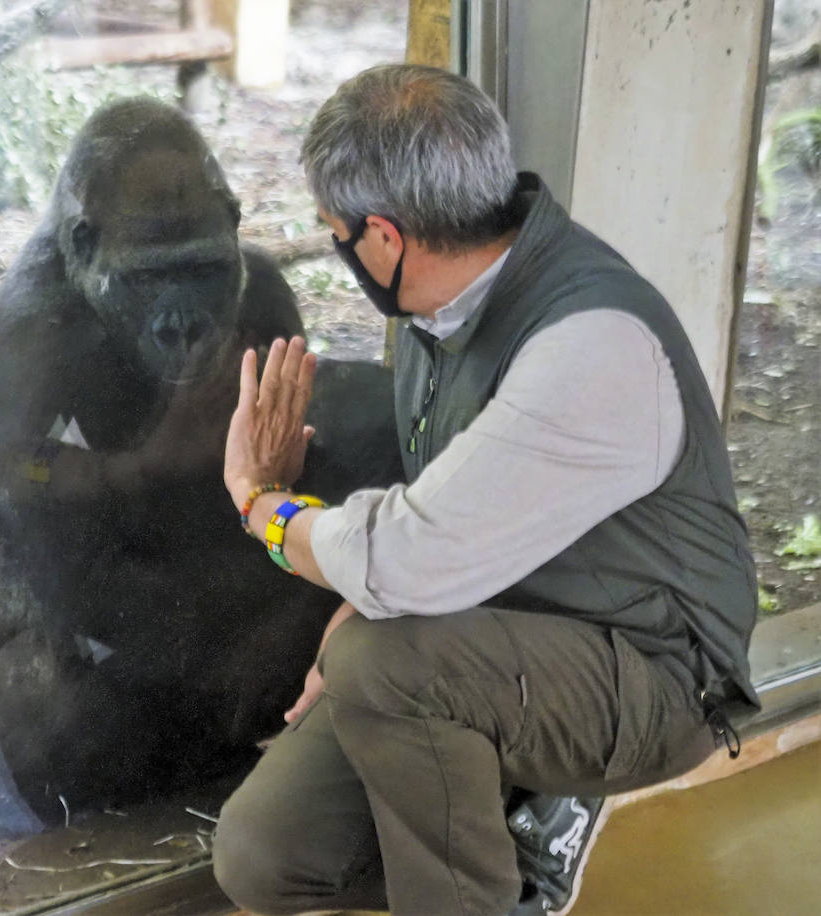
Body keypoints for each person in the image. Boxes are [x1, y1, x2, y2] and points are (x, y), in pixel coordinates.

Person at [212, 64, 759, 916]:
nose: (339, 254)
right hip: (495, 634)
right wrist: (359, 593)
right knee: (263, 856)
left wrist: (261, 503)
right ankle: (511, 831)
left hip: (653, 670)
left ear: (384, 238)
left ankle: (513, 874)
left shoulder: (593, 343)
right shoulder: (443, 310)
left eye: (336, 236)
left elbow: (407, 559)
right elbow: (451, 515)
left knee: (383, 665)